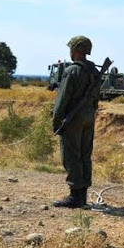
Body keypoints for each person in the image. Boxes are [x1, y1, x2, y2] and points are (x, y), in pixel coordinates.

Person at [52, 36, 99, 208]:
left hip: (74, 118)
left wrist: (56, 123)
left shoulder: (72, 70)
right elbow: (96, 98)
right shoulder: (94, 71)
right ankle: (82, 196)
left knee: (71, 155)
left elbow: (62, 100)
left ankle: (75, 197)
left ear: (76, 50)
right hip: (89, 116)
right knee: (85, 155)